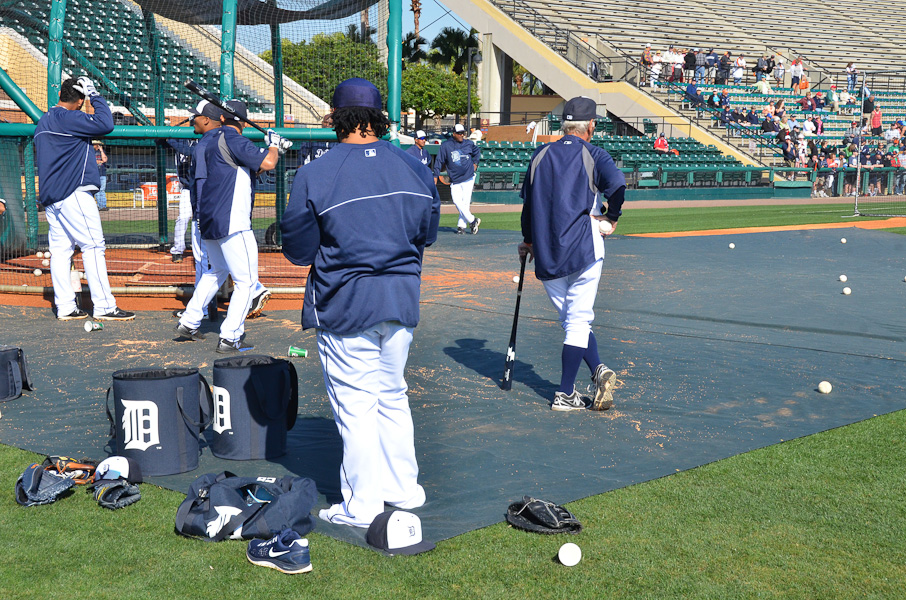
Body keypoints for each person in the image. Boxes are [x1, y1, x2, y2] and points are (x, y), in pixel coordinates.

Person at [280, 77, 440, 527]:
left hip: (345, 302)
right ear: (378, 117)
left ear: (337, 118)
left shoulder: (317, 170)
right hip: (401, 299)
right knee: (392, 395)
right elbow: (426, 233)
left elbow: (297, 249)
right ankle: (404, 489)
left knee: (356, 406)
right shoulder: (415, 166)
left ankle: (363, 505)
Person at [518, 96, 623, 412]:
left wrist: (528, 241)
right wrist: (612, 217)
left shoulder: (540, 154)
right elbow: (617, 185)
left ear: (564, 125)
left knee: (572, 319)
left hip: (547, 251)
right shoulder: (594, 153)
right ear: (591, 125)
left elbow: (527, 207)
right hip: (584, 248)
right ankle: (565, 394)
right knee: (578, 320)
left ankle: (597, 369)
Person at [174, 100, 284, 352]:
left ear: (221, 118)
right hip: (232, 220)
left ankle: (189, 321)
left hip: (208, 218)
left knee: (217, 270)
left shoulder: (206, 143)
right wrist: (274, 146)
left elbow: (237, 171)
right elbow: (267, 164)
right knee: (246, 282)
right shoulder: (232, 138)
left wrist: (273, 150)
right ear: (241, 122)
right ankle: (230, 337)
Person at [34, 76, 134, 322]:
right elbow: (105, 123)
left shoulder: (43, 120)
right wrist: (95, 95)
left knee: (60, 251)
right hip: (73, 192)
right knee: (93, 246)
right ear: (79, 100)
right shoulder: (70, 117)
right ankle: (104, 306)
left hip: (51, 197)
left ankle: (66, 306)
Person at [161, 100, 224, 321]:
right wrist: (168, 132)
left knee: (208, 256)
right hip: (192, 190)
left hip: (203, 194)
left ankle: (205, 306)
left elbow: (188, 148)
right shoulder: (196, 135)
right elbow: (171, 142)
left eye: (195, 117)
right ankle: (178, 249)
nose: (192, 119)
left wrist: (170, 135)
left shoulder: (205, 141)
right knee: (210, 254)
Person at [433, 123, 481, 235]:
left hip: (468, 177)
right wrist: (435, 175)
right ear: (453, 134)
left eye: (463, 133)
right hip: (455, 179)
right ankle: (473, 220)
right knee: (457, 201)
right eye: (459, 133)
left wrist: (475, 163)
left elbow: (477, 152)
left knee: (465, 202)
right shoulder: (446, 146)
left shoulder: (468, 143)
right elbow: (439, 161)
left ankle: (461, 226)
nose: (461, 135)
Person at [93, 141, 108, 211]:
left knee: (102, 190)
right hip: (95, 174)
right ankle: (99, 205)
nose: (94, 146)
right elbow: (93, 161)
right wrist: (99, 162)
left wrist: (101, 150)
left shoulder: (101, 152)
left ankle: (103, 206)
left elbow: (104, 159)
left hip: (102, 173)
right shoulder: (91, 152)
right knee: (96, 190)